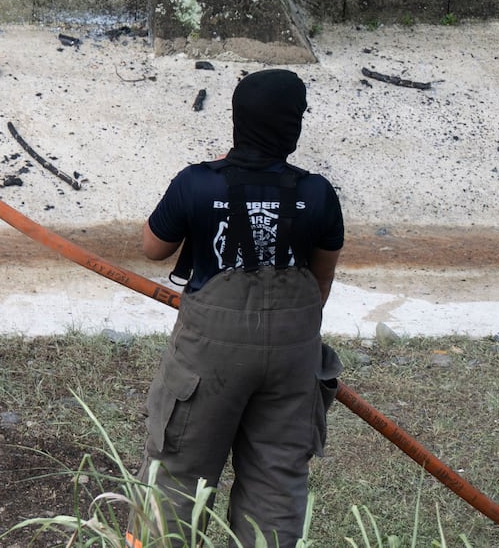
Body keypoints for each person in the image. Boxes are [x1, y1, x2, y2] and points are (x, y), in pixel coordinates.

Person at [138, 68, 346, 548]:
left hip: (210, 354)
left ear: (237, 121)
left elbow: (153, 248)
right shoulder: (317, 194)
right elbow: (321, 281)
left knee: (179, 476)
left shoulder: (196, 184)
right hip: (293, 354)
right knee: (276, 486)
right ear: (291, 127)